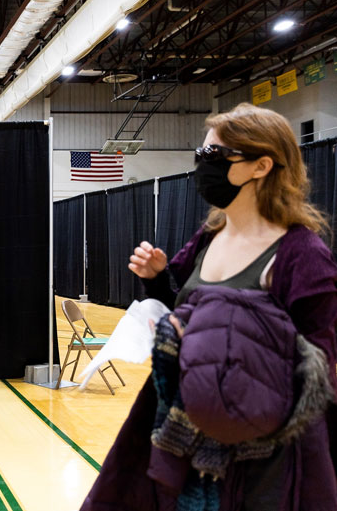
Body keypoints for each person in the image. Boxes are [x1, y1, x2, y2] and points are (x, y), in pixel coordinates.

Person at [81, 103, 337, 510]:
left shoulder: (302, 253)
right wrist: (157, 279)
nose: (203, 164)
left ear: (261, 166)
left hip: (258, 461)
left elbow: (320, 368)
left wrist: (229, 351)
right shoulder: (209, 237)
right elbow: (180, 308)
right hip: (179, 435)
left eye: (214, 154)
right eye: (201, 153)